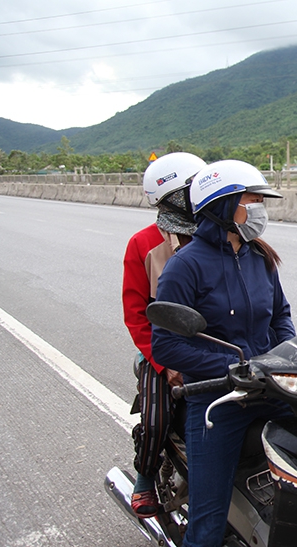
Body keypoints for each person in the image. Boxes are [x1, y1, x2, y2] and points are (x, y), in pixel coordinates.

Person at [151, 159, 295, 547]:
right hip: (218, 399)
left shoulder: (260, 257)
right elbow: (166, 343)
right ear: (224, 204)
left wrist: (285, 358)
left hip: (269, 385)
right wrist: (232, 366)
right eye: (253, 199)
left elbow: (280, 315)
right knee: (206, 523)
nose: (260, 208)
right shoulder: (185, 266)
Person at [122, 151, 206, 518]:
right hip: (163, 350)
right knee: (157, 419)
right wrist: (163, 362)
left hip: (213, 345)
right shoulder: (143, 244)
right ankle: (144, 475)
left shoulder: (217, 235)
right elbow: (136, 315)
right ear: (173, 197)